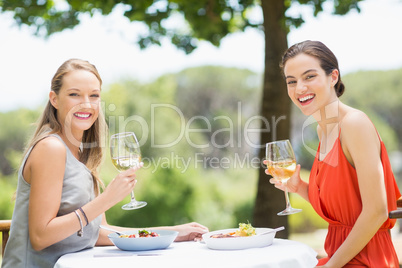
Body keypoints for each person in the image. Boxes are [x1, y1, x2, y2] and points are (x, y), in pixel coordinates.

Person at [1, 59, 209, 268]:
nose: (86, 104)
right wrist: (107, 199)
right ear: (54, 99)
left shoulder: (83, 153)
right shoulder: (51, 148)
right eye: (74, 94)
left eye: (94, 95)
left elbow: (98, 233)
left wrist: (168, 233)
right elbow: (41, 237)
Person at [266, 40, 401, 267]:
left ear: (333, 77)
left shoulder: (354, 124)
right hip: (340, 256)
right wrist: (299, 187)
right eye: (292, 81)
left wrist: (330, 266)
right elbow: (341, 214)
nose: (299, 88)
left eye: (309, 77)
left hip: (367, 259)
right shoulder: (323, 130)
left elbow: (377, 212)